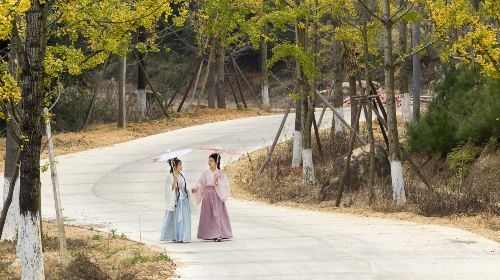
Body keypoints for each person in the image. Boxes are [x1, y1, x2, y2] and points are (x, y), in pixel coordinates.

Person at [192, 153, 233, 241]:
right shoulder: (205, 173)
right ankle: (208, 233)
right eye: (209, 161)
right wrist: (196, 188)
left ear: (216, 162)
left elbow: (225, 185)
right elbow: (201, 183)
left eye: (211, 161)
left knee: (218, 214)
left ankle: (219, 234)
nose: (209, 162)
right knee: (208, 215)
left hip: (217, 194)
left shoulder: (220, 173)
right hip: (207, 195)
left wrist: (218, 181)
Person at [160, 157, 192, 243]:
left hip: (184, 199)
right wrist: (173, 186)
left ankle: (184, 236)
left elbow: (186, 186)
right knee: (178, 217)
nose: (181, 166)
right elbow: (166, 190)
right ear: (175, 166)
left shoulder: (182, 176)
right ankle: (178, 236)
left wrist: (190, 190)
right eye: (180, 165)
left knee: (185, 216)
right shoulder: (170, 177)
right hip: (176, 200)